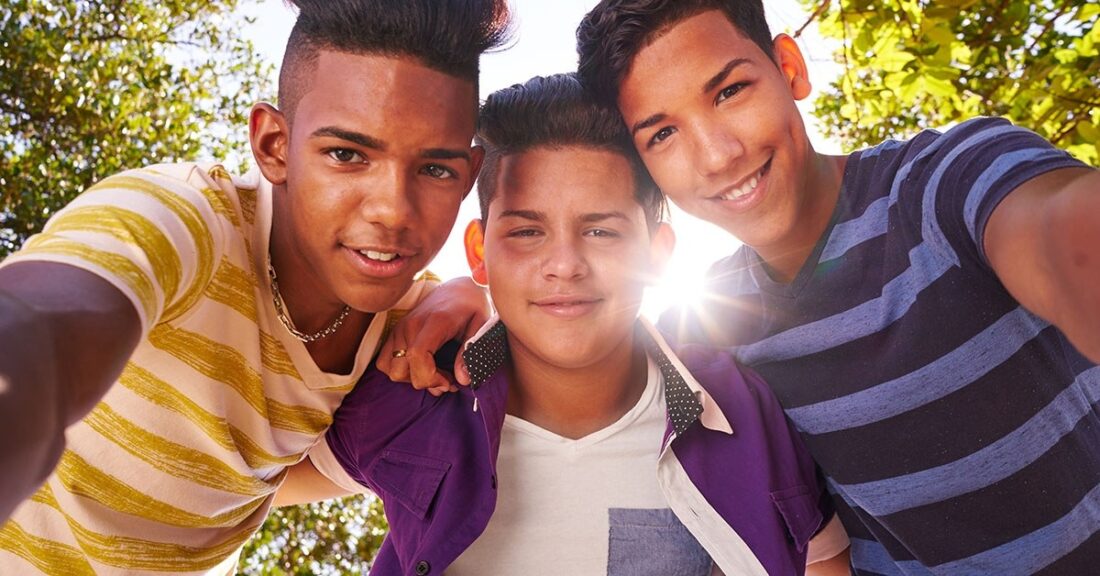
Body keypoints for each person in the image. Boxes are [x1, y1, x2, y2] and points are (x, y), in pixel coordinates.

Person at [568, 0, 1100, 574]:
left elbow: (1063, 236)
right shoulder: (703, 336)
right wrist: (461, 308)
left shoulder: (944, 183)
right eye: (664, 133)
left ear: (789, 69)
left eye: (730, 92)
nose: (718, 156)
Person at [0, 0, 509, 572]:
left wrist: (479, 293)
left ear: (468, 174)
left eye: (434, 169)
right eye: (346, 154)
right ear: (273, 145)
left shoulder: (407, 335)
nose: (393, 210)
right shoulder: (183, 220)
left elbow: (265, 483)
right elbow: (38, 326)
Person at [307, 73, 851, 575]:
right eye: (525, 233)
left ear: (657, 256)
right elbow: (243, 490)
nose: (564, 264)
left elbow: (825, 562)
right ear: (480, 253)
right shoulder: (410, 397)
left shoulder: (743, 411)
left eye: (602, 232)